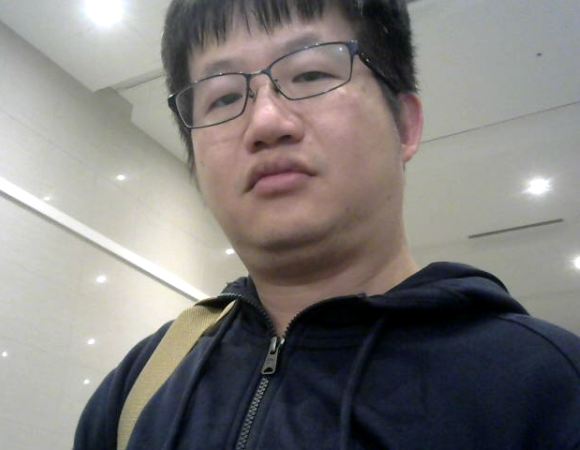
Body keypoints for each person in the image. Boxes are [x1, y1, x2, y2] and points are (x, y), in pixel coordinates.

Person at [74, 0, 580, 448]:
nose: (266, 122)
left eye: (310, 74)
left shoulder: (546, 387)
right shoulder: (140, 384)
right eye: (224, 98)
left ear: (405, 124)